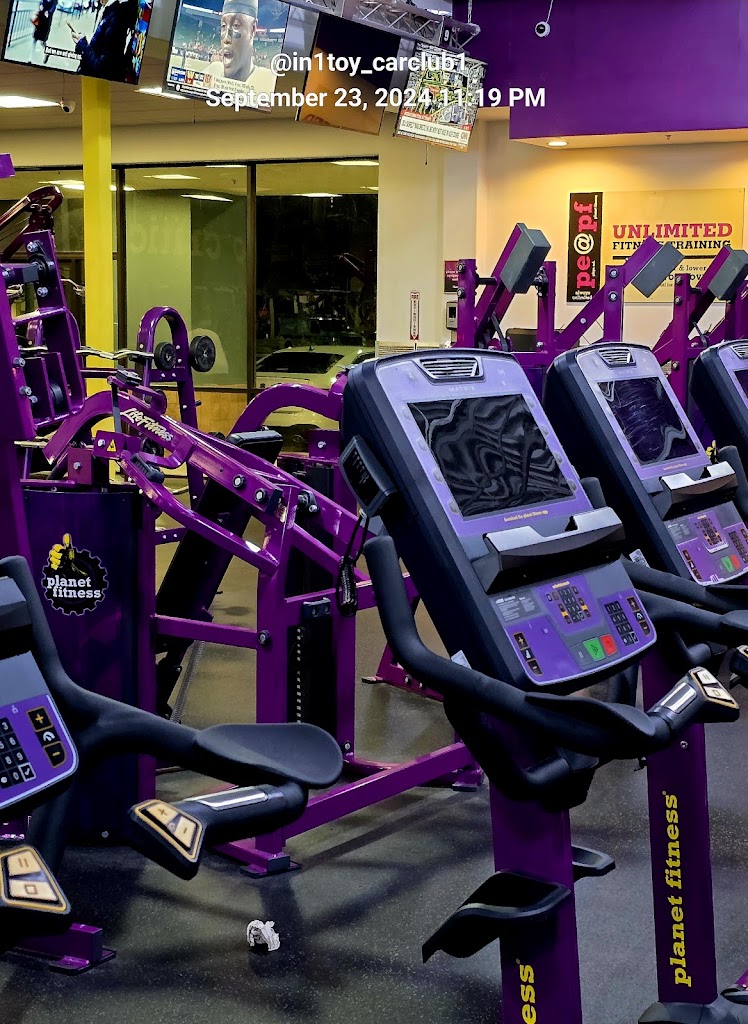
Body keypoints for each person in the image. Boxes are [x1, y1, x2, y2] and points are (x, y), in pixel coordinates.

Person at [203, 0, 275, 94]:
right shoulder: (211, 72)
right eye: (223, 26)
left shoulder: (268, 86)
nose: (226, 38)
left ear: (253, 29)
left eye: (236, 25)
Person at [69, 0, 138, 81]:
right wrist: (82, 43)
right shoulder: (111, 12)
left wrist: (83, 46)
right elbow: (99, 49)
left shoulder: (116, 18)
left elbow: (102, 67)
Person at [30, 0, 58, 65]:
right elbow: (41, 2)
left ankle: (46, 52)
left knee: (42, 41)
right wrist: (40, 6)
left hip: (46, 22)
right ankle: (30, 58)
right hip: (40, 20)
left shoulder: (54, 1)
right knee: (35, 39)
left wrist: (48, 12)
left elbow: (53, 8)